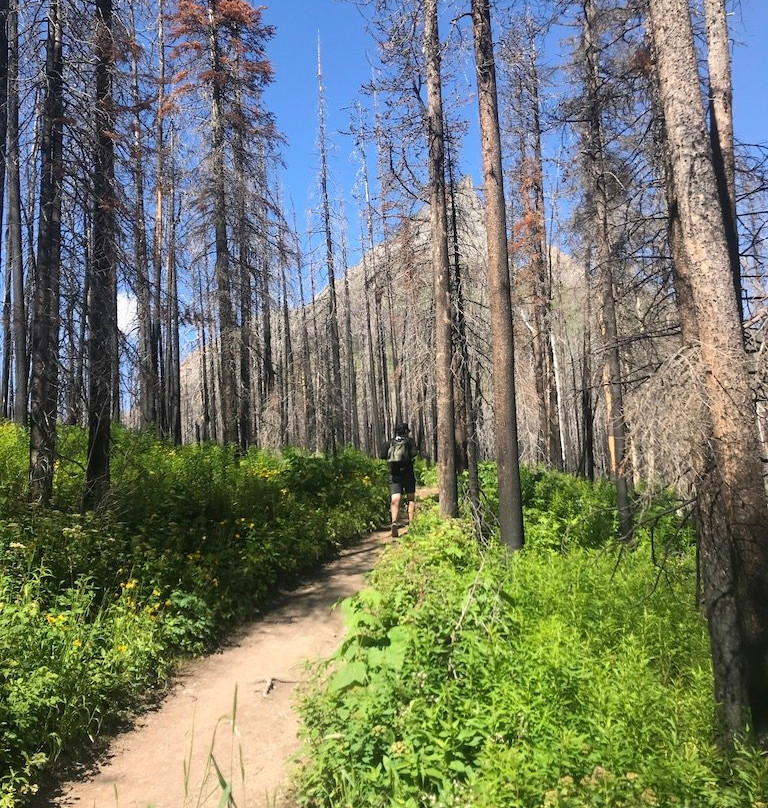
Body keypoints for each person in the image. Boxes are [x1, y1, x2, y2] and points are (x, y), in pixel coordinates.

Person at [380, 422, 418, 538]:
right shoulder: (409, 441)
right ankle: (412, 525)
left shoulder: (390, 442)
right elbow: (414, 453)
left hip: (394, 474)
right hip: (408, 473)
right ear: (406, 431)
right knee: (411, 499)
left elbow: (382, 455)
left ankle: (394, 522)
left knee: (395, 499)